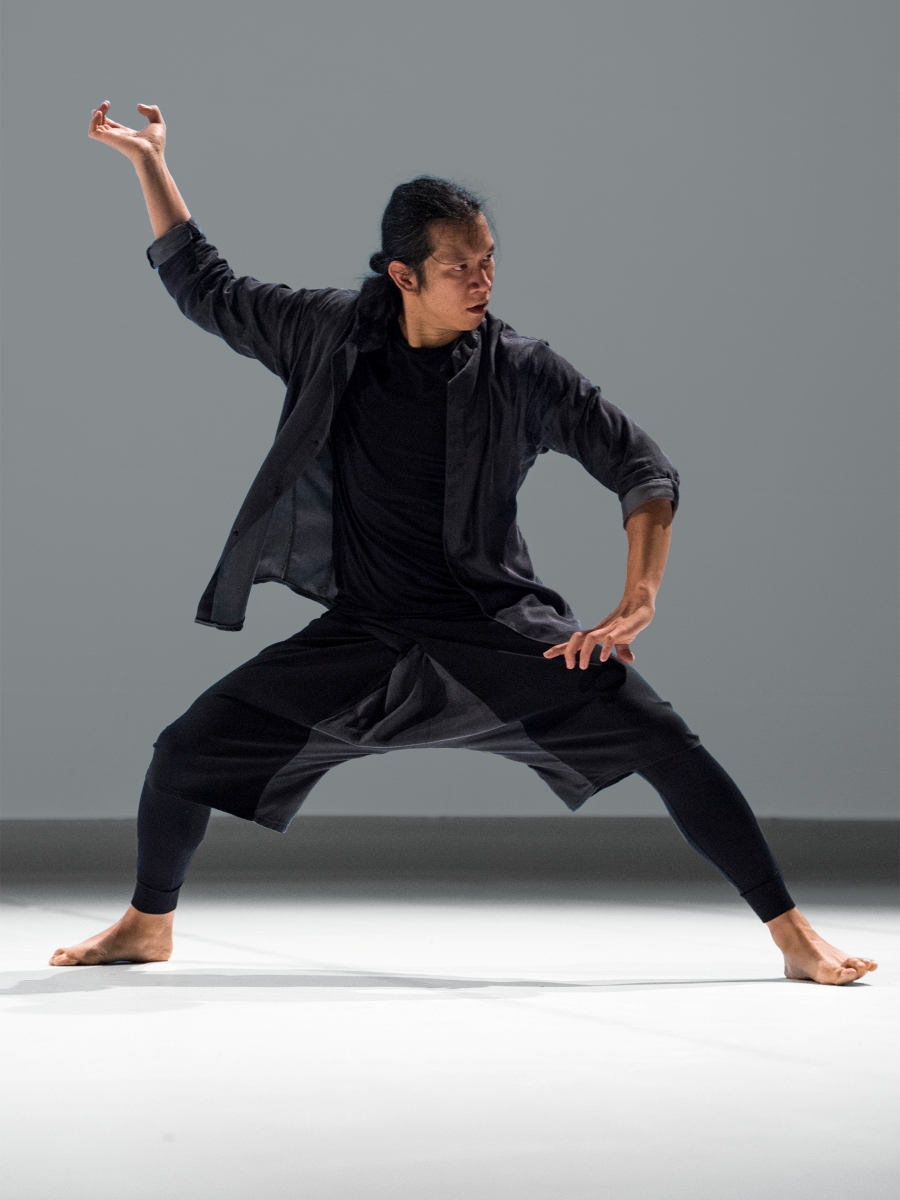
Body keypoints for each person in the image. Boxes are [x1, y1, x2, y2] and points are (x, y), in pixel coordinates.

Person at [50, 101, 876, 987]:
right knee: (185, 751)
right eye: (459, 268)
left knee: (663, 739)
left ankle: (793, 933)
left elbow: (643, 468)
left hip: (493, 626)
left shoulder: (522, 369)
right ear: (403, 275)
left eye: (488, 263)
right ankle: (148, 924)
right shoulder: (326, 333)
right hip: (367, 629)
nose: (482, 282)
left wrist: (640, 597)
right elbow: (202, 284)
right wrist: (150, 162)